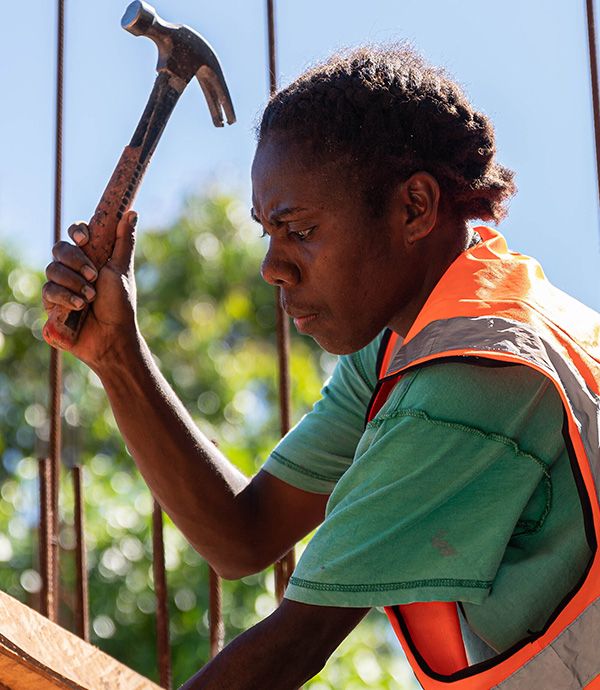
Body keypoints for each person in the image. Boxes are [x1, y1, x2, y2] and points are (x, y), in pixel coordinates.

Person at [42, 46, 600, 689]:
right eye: (267, 234)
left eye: (300, 229)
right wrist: (118, 354)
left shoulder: (478, 370)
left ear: (414, 208)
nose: (272, 268)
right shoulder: (406, 339)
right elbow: (243, 536)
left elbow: (295, 644)